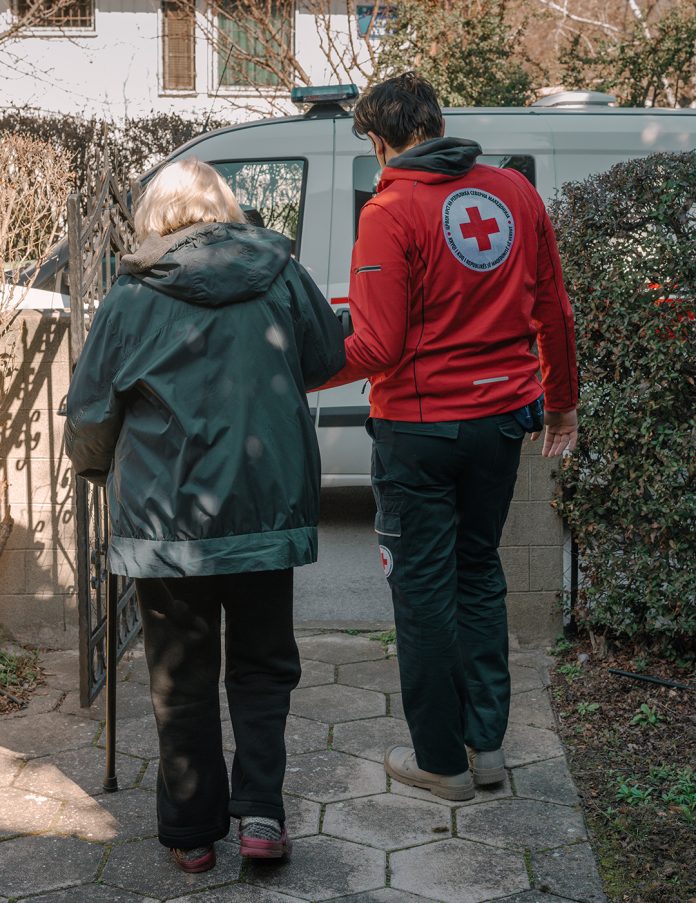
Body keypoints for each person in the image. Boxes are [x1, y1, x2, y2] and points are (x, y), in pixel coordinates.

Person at [65, 158, 345, 871]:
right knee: (263, 667)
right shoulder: (280, 272)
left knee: (180, 675)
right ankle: (262, 816)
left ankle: (191, 833)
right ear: (225, 207)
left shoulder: (131, 294)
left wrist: (95, 467)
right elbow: (324, 356)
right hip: (264, 507)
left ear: (155, 215)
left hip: (165, 520)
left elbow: (91, 409)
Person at [321, 72, 578, 801]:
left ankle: (440, 761)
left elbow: (376, 345)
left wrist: (298, 373)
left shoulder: (390, 209)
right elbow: (554, 309)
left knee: (423, 590)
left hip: (419, 431)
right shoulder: (515, 192)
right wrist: (562, 405)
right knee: (479, 572)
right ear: (436, 123)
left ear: (379, 140)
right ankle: (486, 746)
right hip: (504, 423)